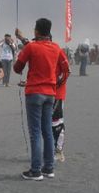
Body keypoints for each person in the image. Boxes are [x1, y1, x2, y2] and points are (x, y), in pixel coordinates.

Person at [14, 18, 70, 181]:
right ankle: (49, 168)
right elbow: (66, 70)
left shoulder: (31, 47)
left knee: (36, 132)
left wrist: (21, 56)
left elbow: (17, 68)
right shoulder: (56, 48)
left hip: (34, 92)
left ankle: (36, 170)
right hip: (51, 93)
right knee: (47, 130)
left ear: (36, 31)